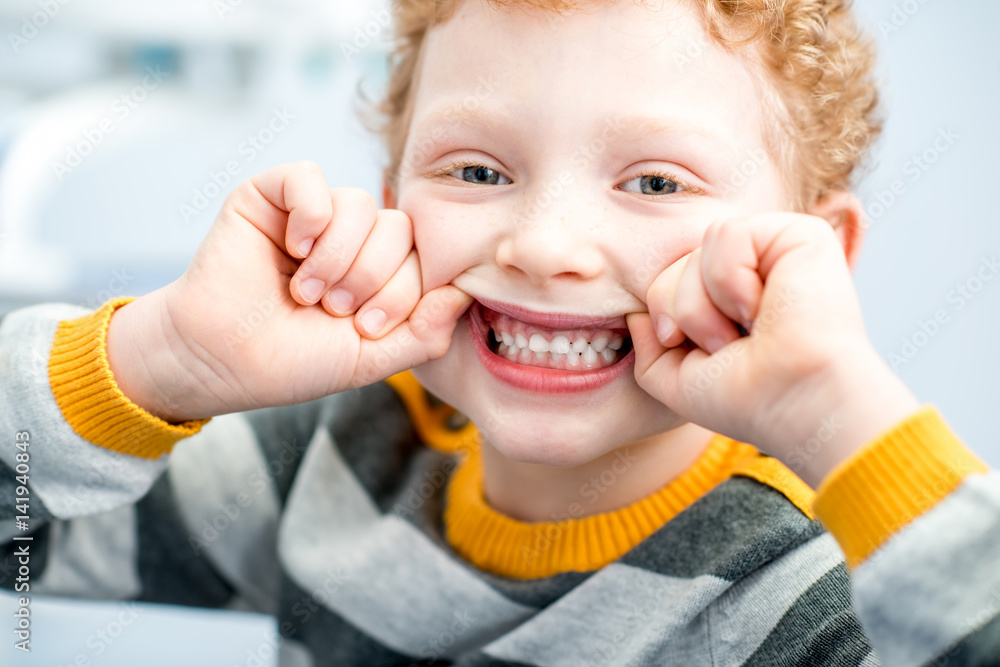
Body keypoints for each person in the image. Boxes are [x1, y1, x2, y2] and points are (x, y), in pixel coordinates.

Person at [2, 0, 999, 664]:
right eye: (477, 172)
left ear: (812, 253)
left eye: (654, 182)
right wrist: (168, 363)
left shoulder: (797, 593)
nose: (542, 244)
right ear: (394, 206)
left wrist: (837, 412)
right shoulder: (329, 460)